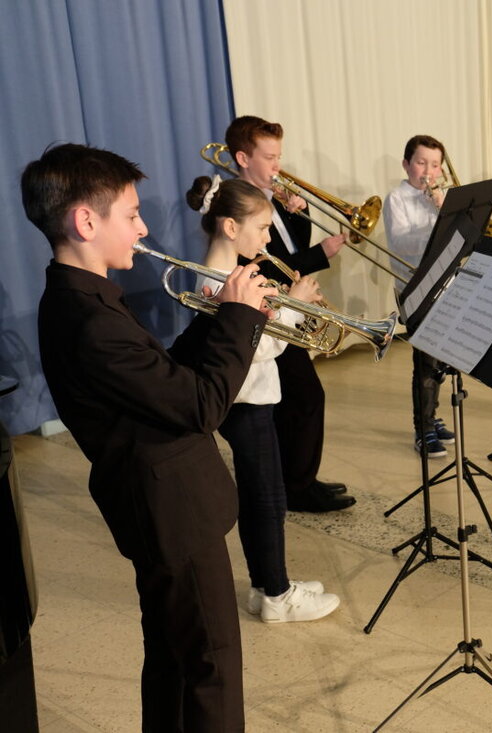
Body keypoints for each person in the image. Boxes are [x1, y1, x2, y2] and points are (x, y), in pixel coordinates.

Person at [25, 143, 272, 729]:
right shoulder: (90, 320)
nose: (142, 229)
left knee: (174, 658)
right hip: (171, 509)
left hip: (158, 503)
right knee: (211, 666)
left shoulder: (83, 297)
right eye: (132, 215)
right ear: (86, 222)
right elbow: (202, 405)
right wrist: (241, 320)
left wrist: (215, 320)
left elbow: (160, 380)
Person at [186, 175, 341, 624]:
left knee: (262, 495)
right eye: (263, 227)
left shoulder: (234, 274)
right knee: (267, 498)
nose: (269, 238)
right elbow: (255, 347)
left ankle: (263, 585)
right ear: (231, 227)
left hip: (253, 397)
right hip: (244, 401)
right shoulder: (217, 284)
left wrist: (278, 304)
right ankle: (277, 595)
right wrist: (292, 304)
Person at [225, 115, 355, 512]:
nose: (278, 166)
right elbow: (263, 264)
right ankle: (298, 486)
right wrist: (322, 254)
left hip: (284, 309)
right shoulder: (240, 204)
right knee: (305, 397)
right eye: (269, 157)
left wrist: (296, 212)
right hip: (268, 315)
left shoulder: (270, 196)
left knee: (297, 398)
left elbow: (288, 248)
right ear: (243, 158)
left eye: (279, 156)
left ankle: (299, 480)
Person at [381, 134, 457, 458]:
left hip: (444, 284)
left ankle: (432, 416)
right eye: (421, 162)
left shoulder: (443, 198)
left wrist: (446, 210)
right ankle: (422, 429)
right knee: (425, 361)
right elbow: (401, 244)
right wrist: (439, 222)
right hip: (413, 288)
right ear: (406, 164)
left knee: (439, 358)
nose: (428, 171)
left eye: (435, 164)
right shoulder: (396, 199)